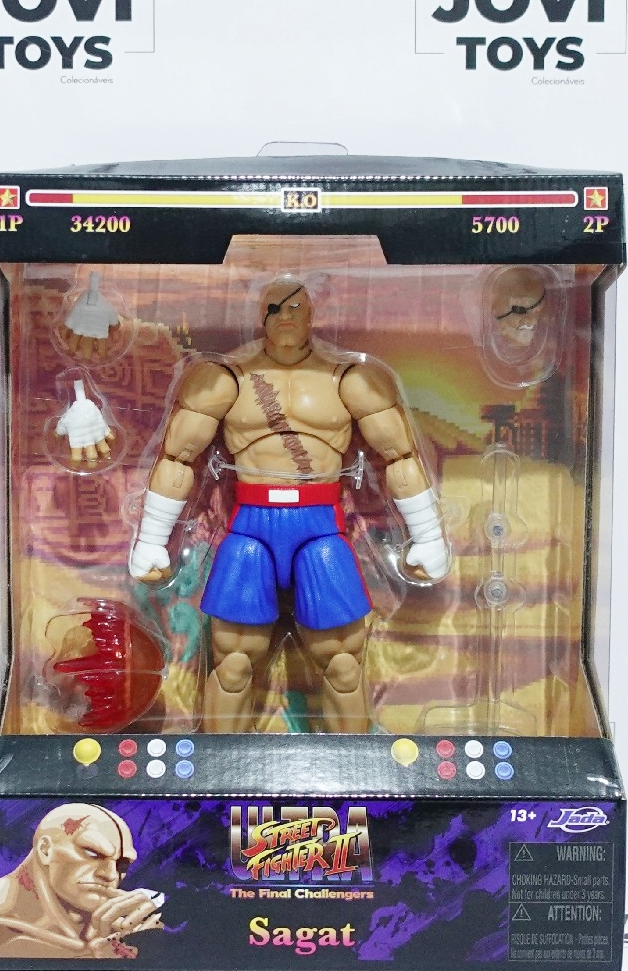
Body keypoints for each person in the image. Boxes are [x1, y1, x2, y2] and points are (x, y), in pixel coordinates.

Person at [128, 276, 449, 732]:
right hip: (251, 528)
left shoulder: (351, 380)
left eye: (294, 307)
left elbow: (400, 457)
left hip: (320, 528)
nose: (284, 317)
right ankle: (219, 768)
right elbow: (178, 458)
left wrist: (428, 536)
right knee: (233, 664)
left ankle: (353, 768)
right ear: (260, 315)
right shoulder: (224, 379)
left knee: (343, 664)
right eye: (274, 308)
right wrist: (151, 540)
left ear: (312, 314)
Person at [0, 803, 163, 959]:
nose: (110, 875)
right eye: (92, 853)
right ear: (45, 850)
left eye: (122, 865)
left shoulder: (122, 927)